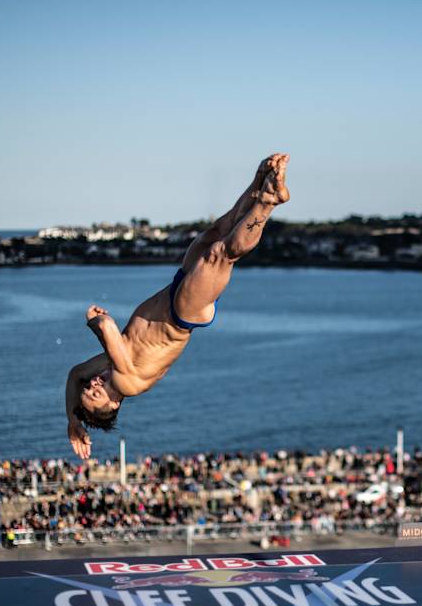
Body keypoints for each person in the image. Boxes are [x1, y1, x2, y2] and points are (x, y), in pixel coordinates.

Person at [66, 153, 290, 458]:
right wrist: (93, 323)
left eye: (88, 388)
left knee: (217, 231)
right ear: (114, 403)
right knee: (220, 253)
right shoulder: (125, 382)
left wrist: (72, 421)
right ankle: (267, 202)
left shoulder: (105, 370)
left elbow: (73, 374)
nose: (92, 383)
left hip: (176, 292)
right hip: (181, 314)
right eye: (95, 393)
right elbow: (106, 326)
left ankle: (259, 181)